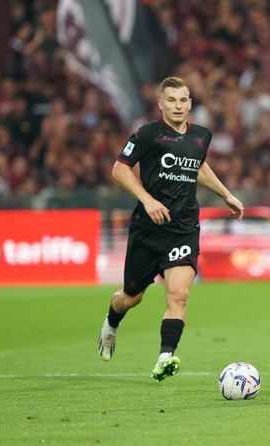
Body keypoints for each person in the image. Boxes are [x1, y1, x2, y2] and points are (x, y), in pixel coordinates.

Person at [98, 77, 244, 381]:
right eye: (172, 100)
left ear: (190, 103)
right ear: (161, 103)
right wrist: (147, 200)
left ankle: (166, 356)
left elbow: (198, 165)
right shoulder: (148, 134)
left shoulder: (202, 136)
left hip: (184, 229)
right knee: (131, 297)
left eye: (183, 100)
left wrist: (226, 194)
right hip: (147, 230)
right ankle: (112, 322)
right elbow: (119, 168)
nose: (178, 106)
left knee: (178, 296)